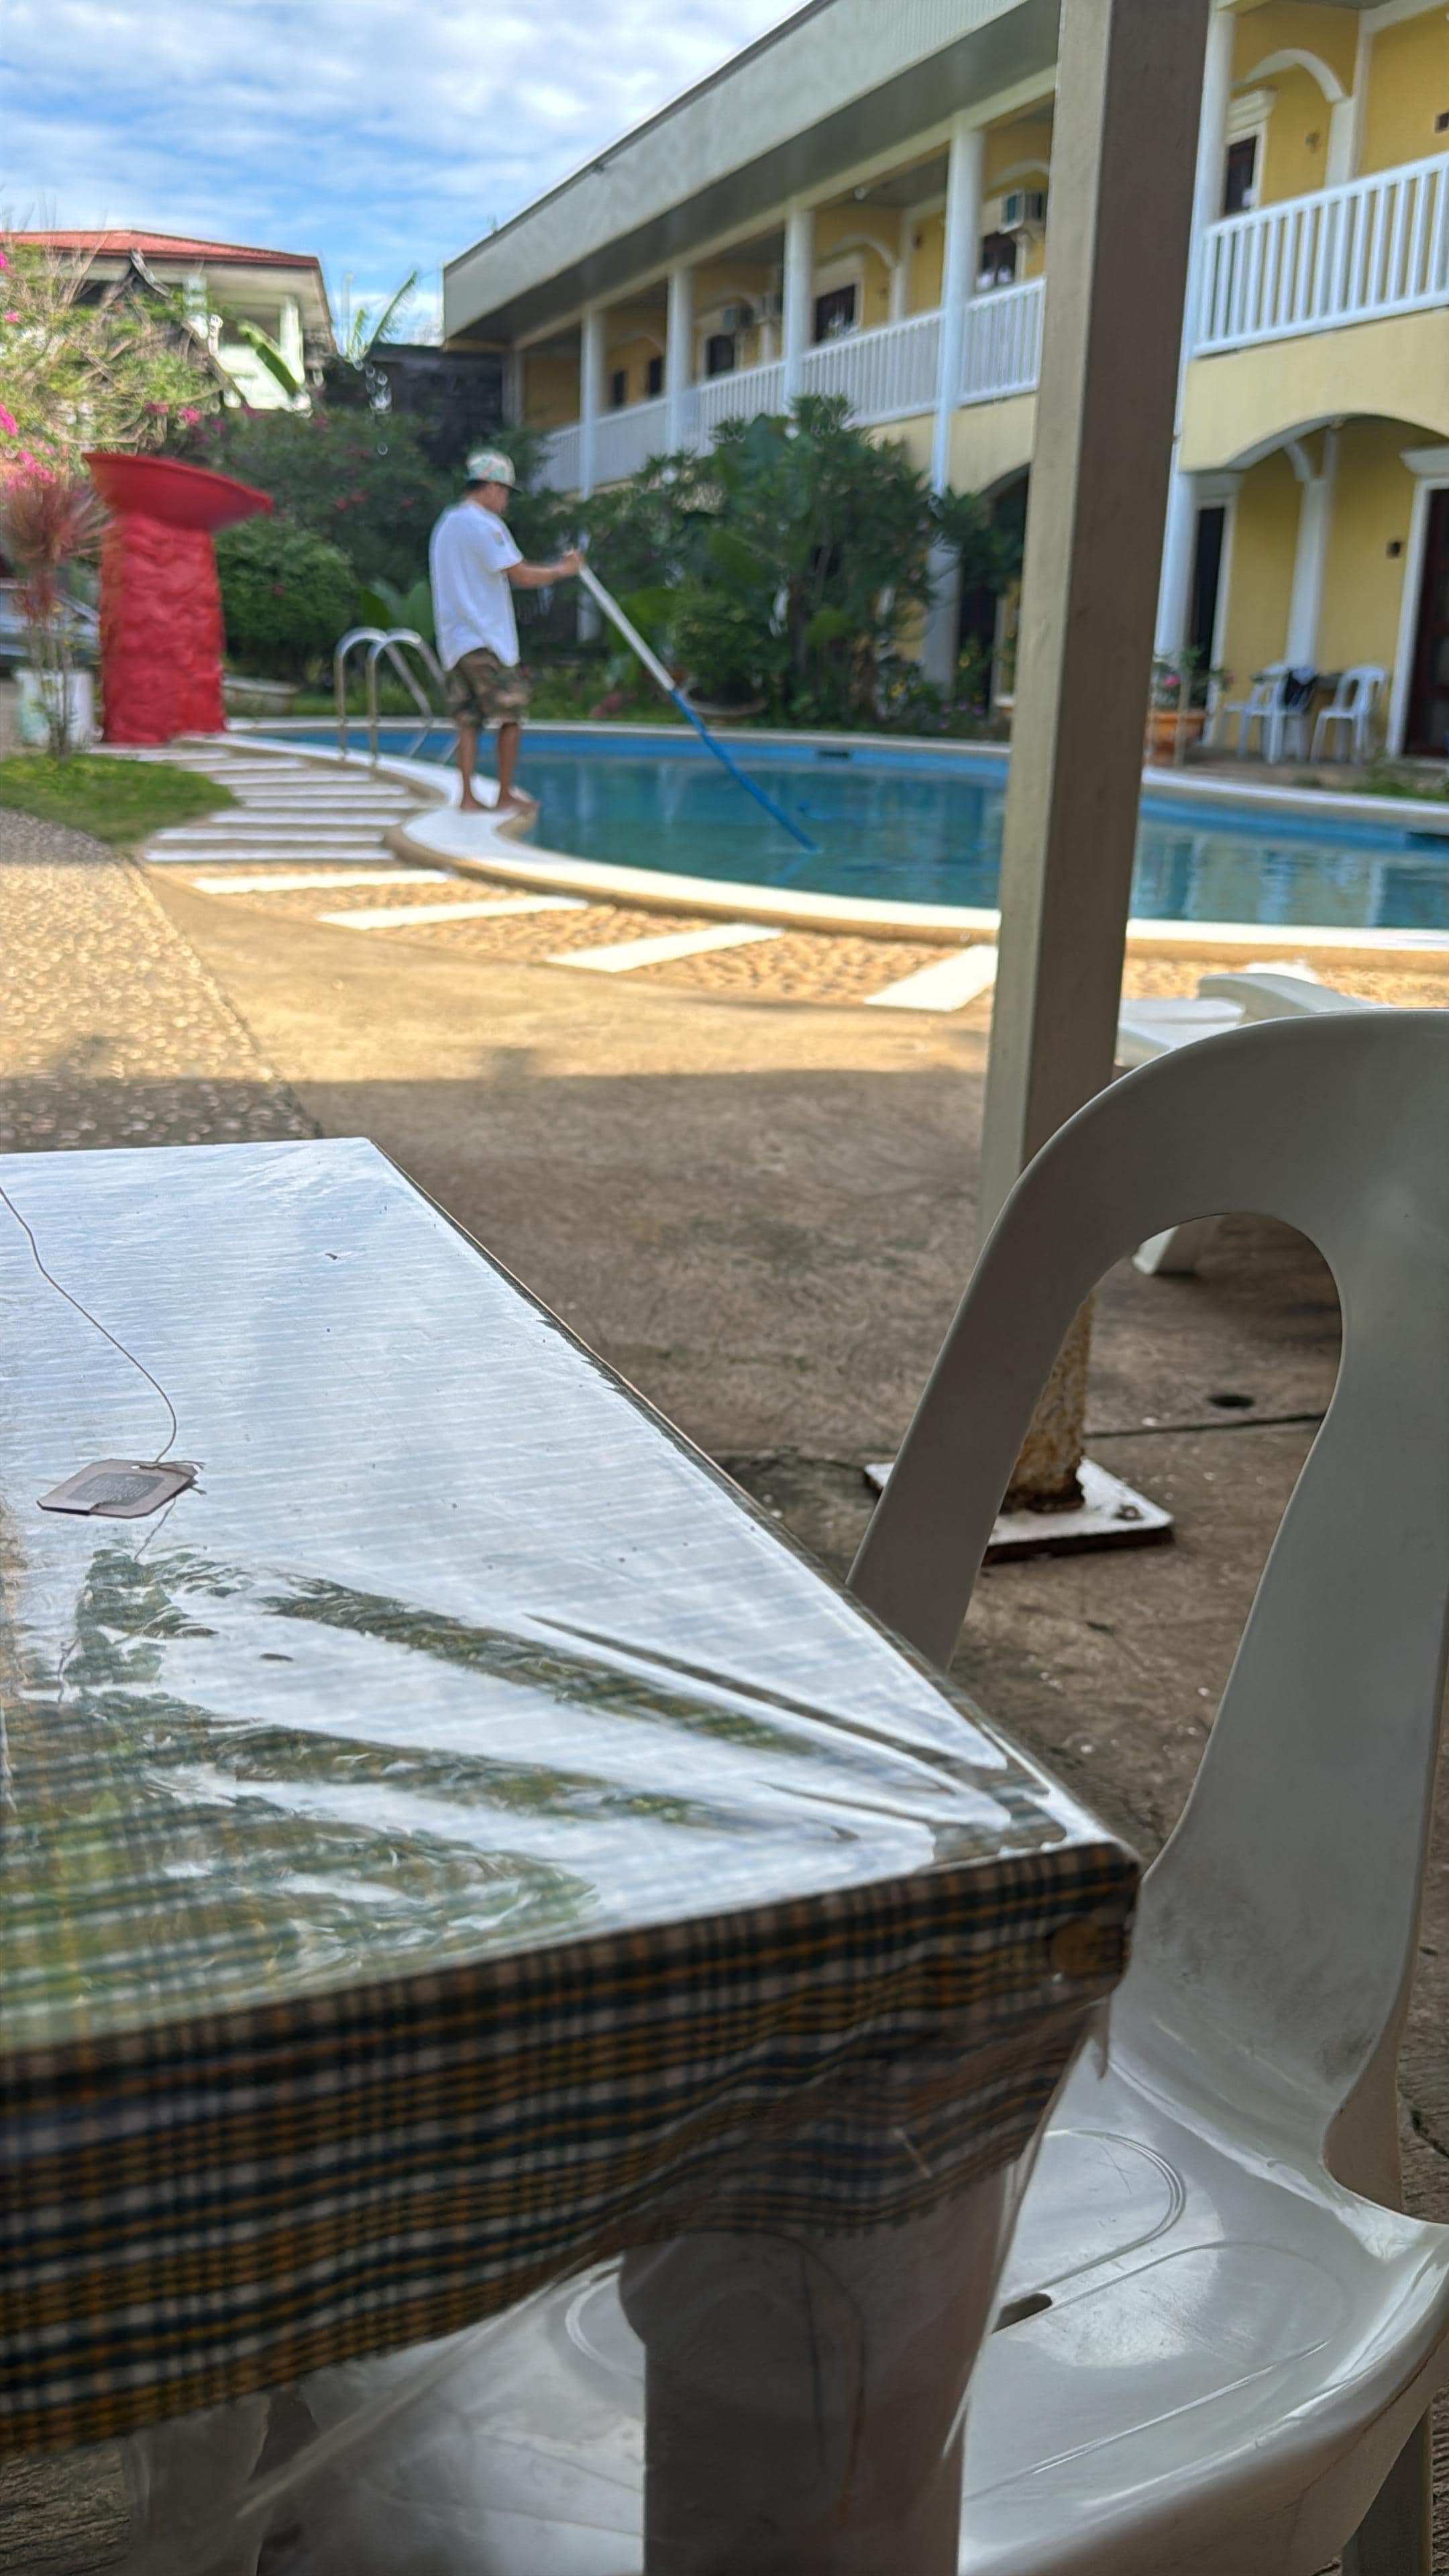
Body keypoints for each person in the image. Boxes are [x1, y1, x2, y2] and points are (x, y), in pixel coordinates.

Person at [429, 449, 582, 818]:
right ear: (493, 488)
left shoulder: (446, 524)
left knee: (468, 719)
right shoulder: (486, 526)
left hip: (454, 641)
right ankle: (504, 795)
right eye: (506, 492)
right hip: (485, 640)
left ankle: (467, 796)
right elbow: (520, 574)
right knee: (511, 715)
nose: (506, 500)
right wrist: (564, 570)